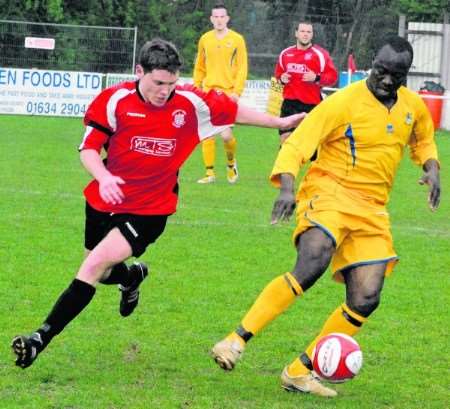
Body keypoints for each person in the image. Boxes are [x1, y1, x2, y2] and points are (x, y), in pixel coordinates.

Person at [11, 38, 304, 369]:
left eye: (171, 83)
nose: (165, 91)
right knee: (103, 271)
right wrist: (104, 178)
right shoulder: (115, 100)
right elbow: (89, 148)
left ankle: (38, 339)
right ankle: (131, 277)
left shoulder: (191, 104)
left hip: (151, 209)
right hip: (105, 198)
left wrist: (279, 123)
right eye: (158, 83)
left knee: (91, 267)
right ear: (139, 72)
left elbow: (233, 110)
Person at [211, 35, 440, 397]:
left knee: (366, 297)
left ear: (405, 76)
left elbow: (423, 139)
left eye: (394, 75)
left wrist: (432, 168)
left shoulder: (412, 106)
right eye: (380, 71)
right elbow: (300, 142)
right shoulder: (343, 102)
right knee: (312, 263)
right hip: (330, 192)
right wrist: (287, 187)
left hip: (373, 209)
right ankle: (234, 341)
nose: (384, 80)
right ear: (371, 64)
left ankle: (299, 371)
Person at [193, 3, 248, 184]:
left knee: (225, 136)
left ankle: (231, 163)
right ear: (211, 19)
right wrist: (197, 86)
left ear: (227, 19)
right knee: (207, 133)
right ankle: (210, 173)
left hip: (228, 93)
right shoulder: (205, 39)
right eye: (215, 17)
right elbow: (199, 65)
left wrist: (237, 92)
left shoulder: (237, 39)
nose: (218, 20)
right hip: (208, 92)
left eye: (221, 16)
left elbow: (242, 67)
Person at [275, 21, 337, 145]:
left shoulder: (320, 55)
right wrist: (282, 79)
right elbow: (278, 77)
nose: (305, 34)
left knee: (311, 146)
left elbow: (333, 78)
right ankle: (286, 165)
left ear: (312, 35)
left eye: (309, 32)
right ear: (296, 33)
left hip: (311, 105)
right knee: (285, 140)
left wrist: (316, 78)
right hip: (289, 104)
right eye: (302, 31)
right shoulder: (285, 54)